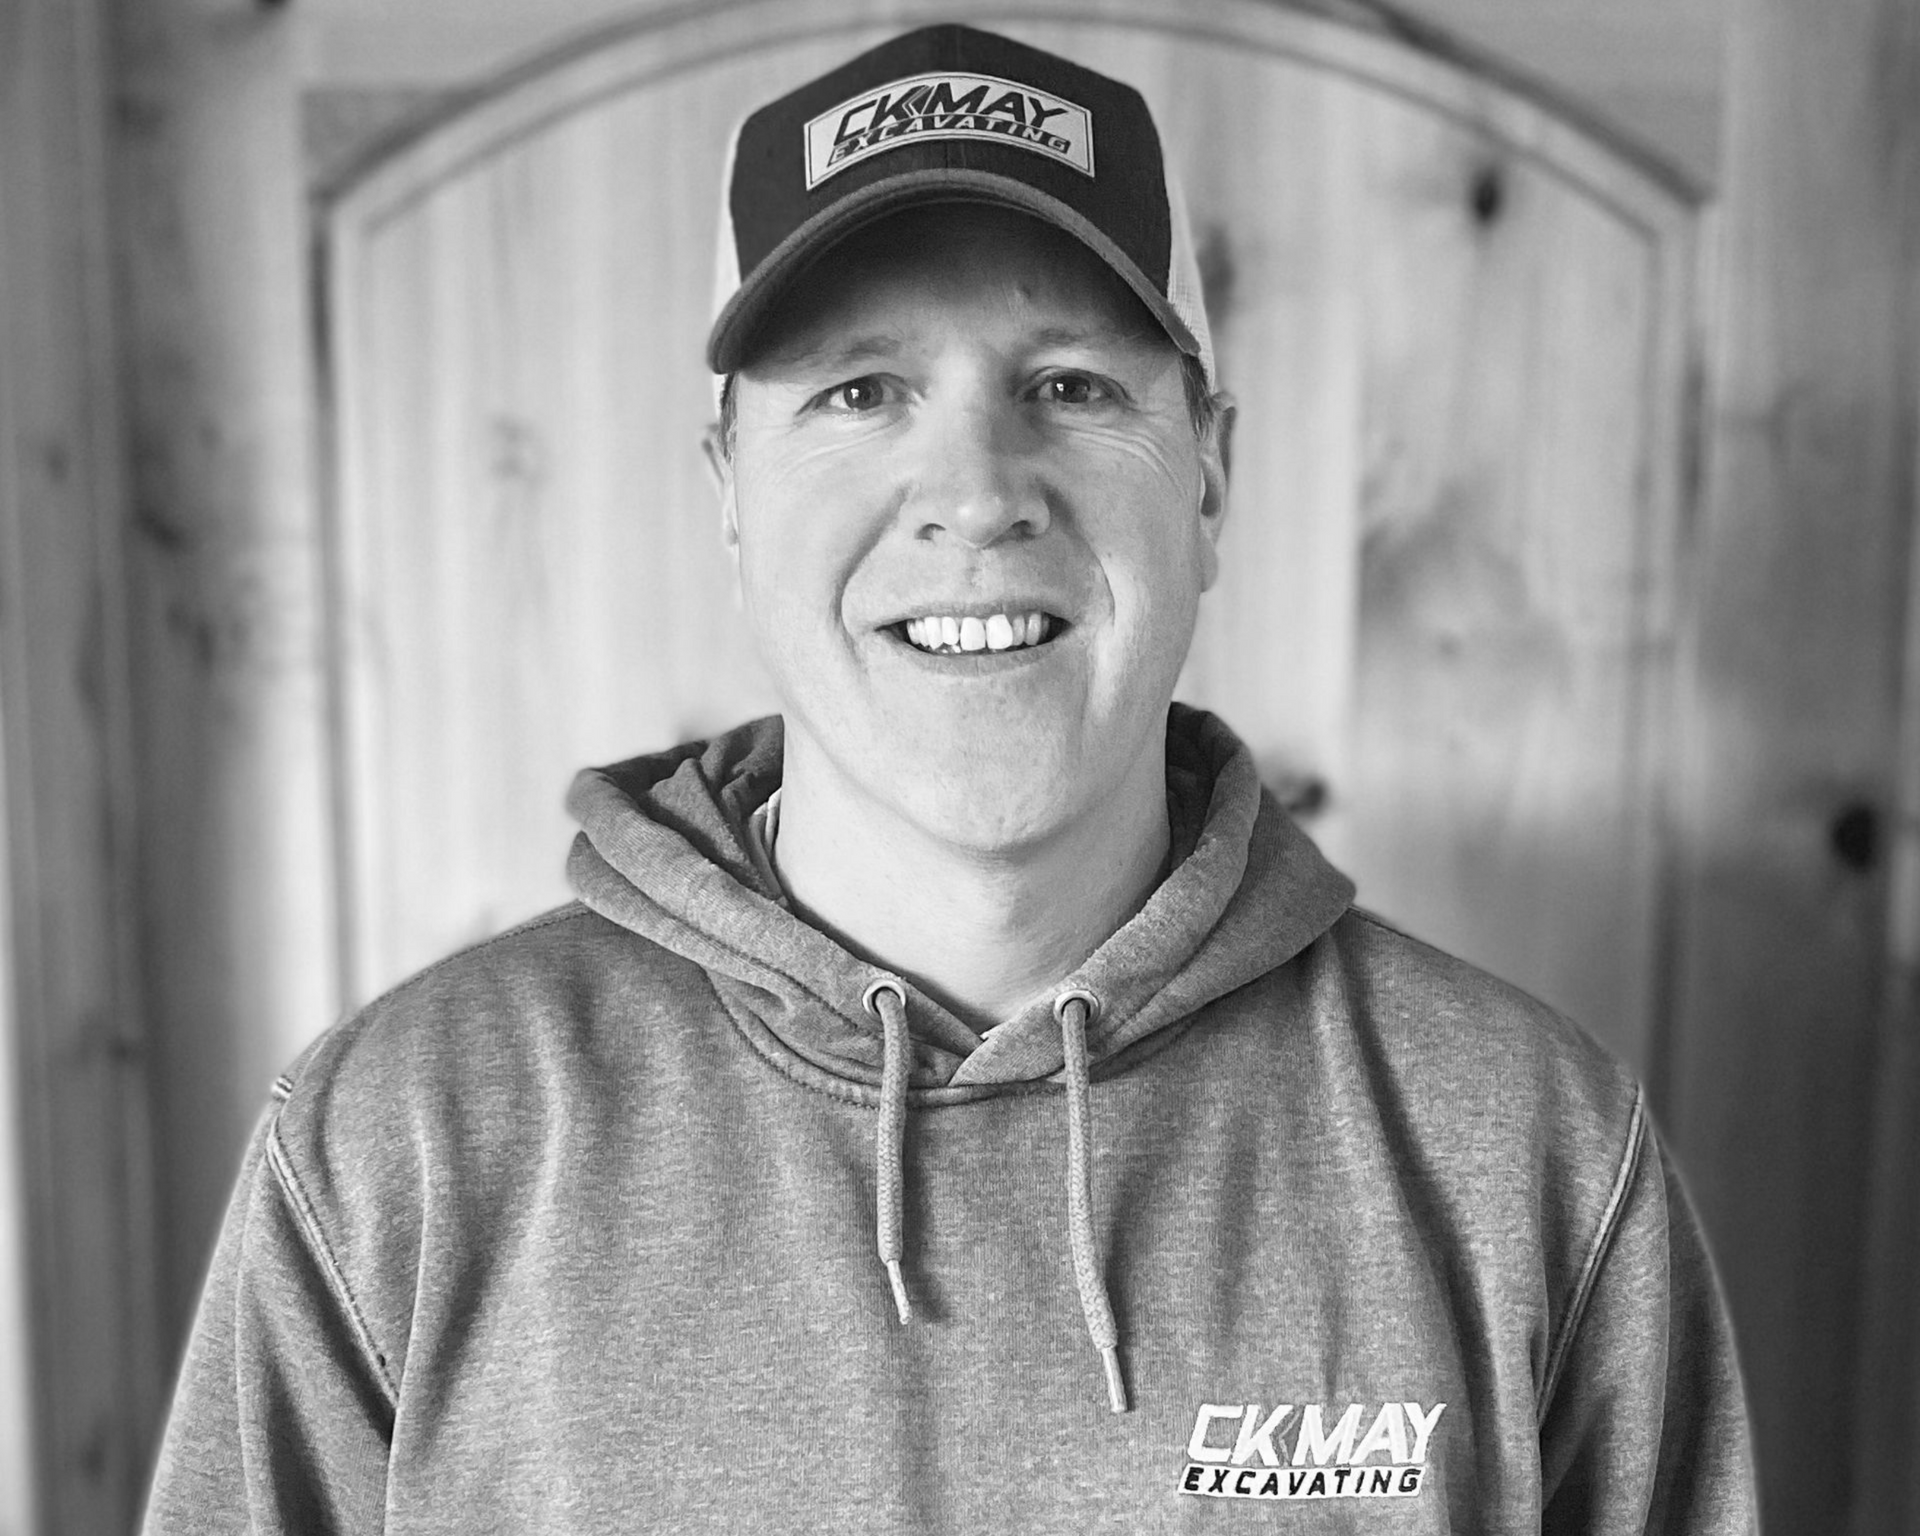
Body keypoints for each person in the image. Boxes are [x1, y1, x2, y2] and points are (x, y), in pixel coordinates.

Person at [143, 23, 1757, 1533]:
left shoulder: (1528, 1155)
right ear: (728, 494)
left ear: (1209, 476)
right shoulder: (400, 1150)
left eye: (1070, 387)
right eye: (860, 392)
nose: (975, 493)